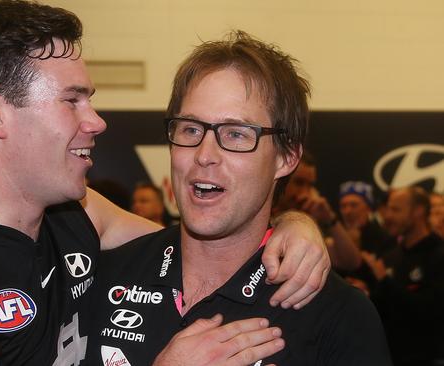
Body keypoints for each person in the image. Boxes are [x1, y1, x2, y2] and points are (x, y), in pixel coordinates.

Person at [0, 2, 330, 365]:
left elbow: (201, 240)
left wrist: (290, 222)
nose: (97, 121)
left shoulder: (73, 212)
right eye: (73, 100)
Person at [89, 31, 391, 366]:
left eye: (235, 134)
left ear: (287, 157)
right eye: (190, 129)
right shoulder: (101, 275)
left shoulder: (337, 315)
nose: (205, 155)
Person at [363, 186, 444, 365]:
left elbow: (429, 312)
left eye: (396, 209)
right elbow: (383, 311)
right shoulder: (391, 256)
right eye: (388, 209)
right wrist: (364, 294)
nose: (388, 216)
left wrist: (385, 282)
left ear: (418, 211)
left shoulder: (438, 255)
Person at [275, 153, 362, 271]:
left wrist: (329, 218)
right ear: (280, 179)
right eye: (299, 183)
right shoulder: (259, 218)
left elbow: (351, 262)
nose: (305, 193)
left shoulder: (306, 223)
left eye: (310, 185)